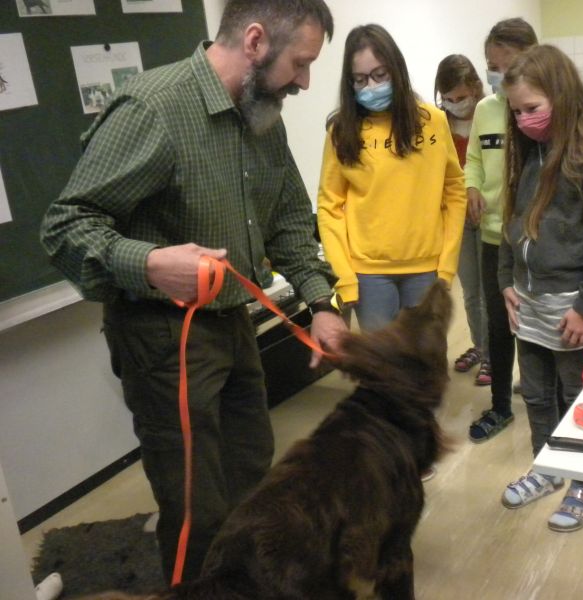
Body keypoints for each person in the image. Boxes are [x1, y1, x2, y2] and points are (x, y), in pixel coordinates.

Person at [40, 0, 348, 583]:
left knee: (252, 480)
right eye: (301, 63)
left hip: (234, 326)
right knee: (196, 511)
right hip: (164, 340)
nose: (305, 82)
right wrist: (151, 263)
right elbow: (64, 226)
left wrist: (322, 304)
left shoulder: (263, 117)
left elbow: (288, 219)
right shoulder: (153, 108)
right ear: (255, 41)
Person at [497, 45, 583, 532]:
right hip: (529, 302)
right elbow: (513, 220)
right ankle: (549, 467)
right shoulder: (530, 150)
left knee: (577, 396)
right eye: (516, 112)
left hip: (572, 305)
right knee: (535, 394)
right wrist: (506, 280)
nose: (523, 120)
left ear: (561, 95)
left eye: (532, 108)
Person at [316, 25, 466, 335]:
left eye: (380, 75)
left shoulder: (433, 122)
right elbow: (329, 207)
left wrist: (447, 266)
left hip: (426, 270)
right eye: (360, 80)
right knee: (383, 361)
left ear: (396, 70)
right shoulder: (341, 132)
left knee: (423, 358)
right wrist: (344, 277)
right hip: (368, 275)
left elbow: (454, 191)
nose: (371, 86)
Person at [464, 17, 537, 444]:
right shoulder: (485, 110)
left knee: (534, 322)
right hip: (493, 236)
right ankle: (500, 406)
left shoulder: (540, 110)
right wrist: (472, 185)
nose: (498, 74)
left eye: (506, 65)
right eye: (492, 66)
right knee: (498, 323)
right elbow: (474, 157)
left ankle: (542, 394)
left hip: (533, 242)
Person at [434, 54, 491, 386]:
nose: (456, 105)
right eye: (449, 99)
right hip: (457, 217)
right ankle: (480, 346)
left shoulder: (490, 114)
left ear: (475, 87)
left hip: (489, 214)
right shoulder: (440, 124)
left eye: (461, 97)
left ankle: (493, 354)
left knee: (489, 292)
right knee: (470, 291)